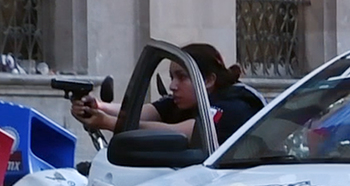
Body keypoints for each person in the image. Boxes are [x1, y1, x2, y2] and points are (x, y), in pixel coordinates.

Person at [71, 43, 264, 145]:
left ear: (208, 80)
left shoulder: (235, 106)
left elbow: (184, 132)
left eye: (181, 77)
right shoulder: (188, 100)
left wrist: (107, 123)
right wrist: (98, 106)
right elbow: (143, 111)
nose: (172, 86)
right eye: (172, 77)